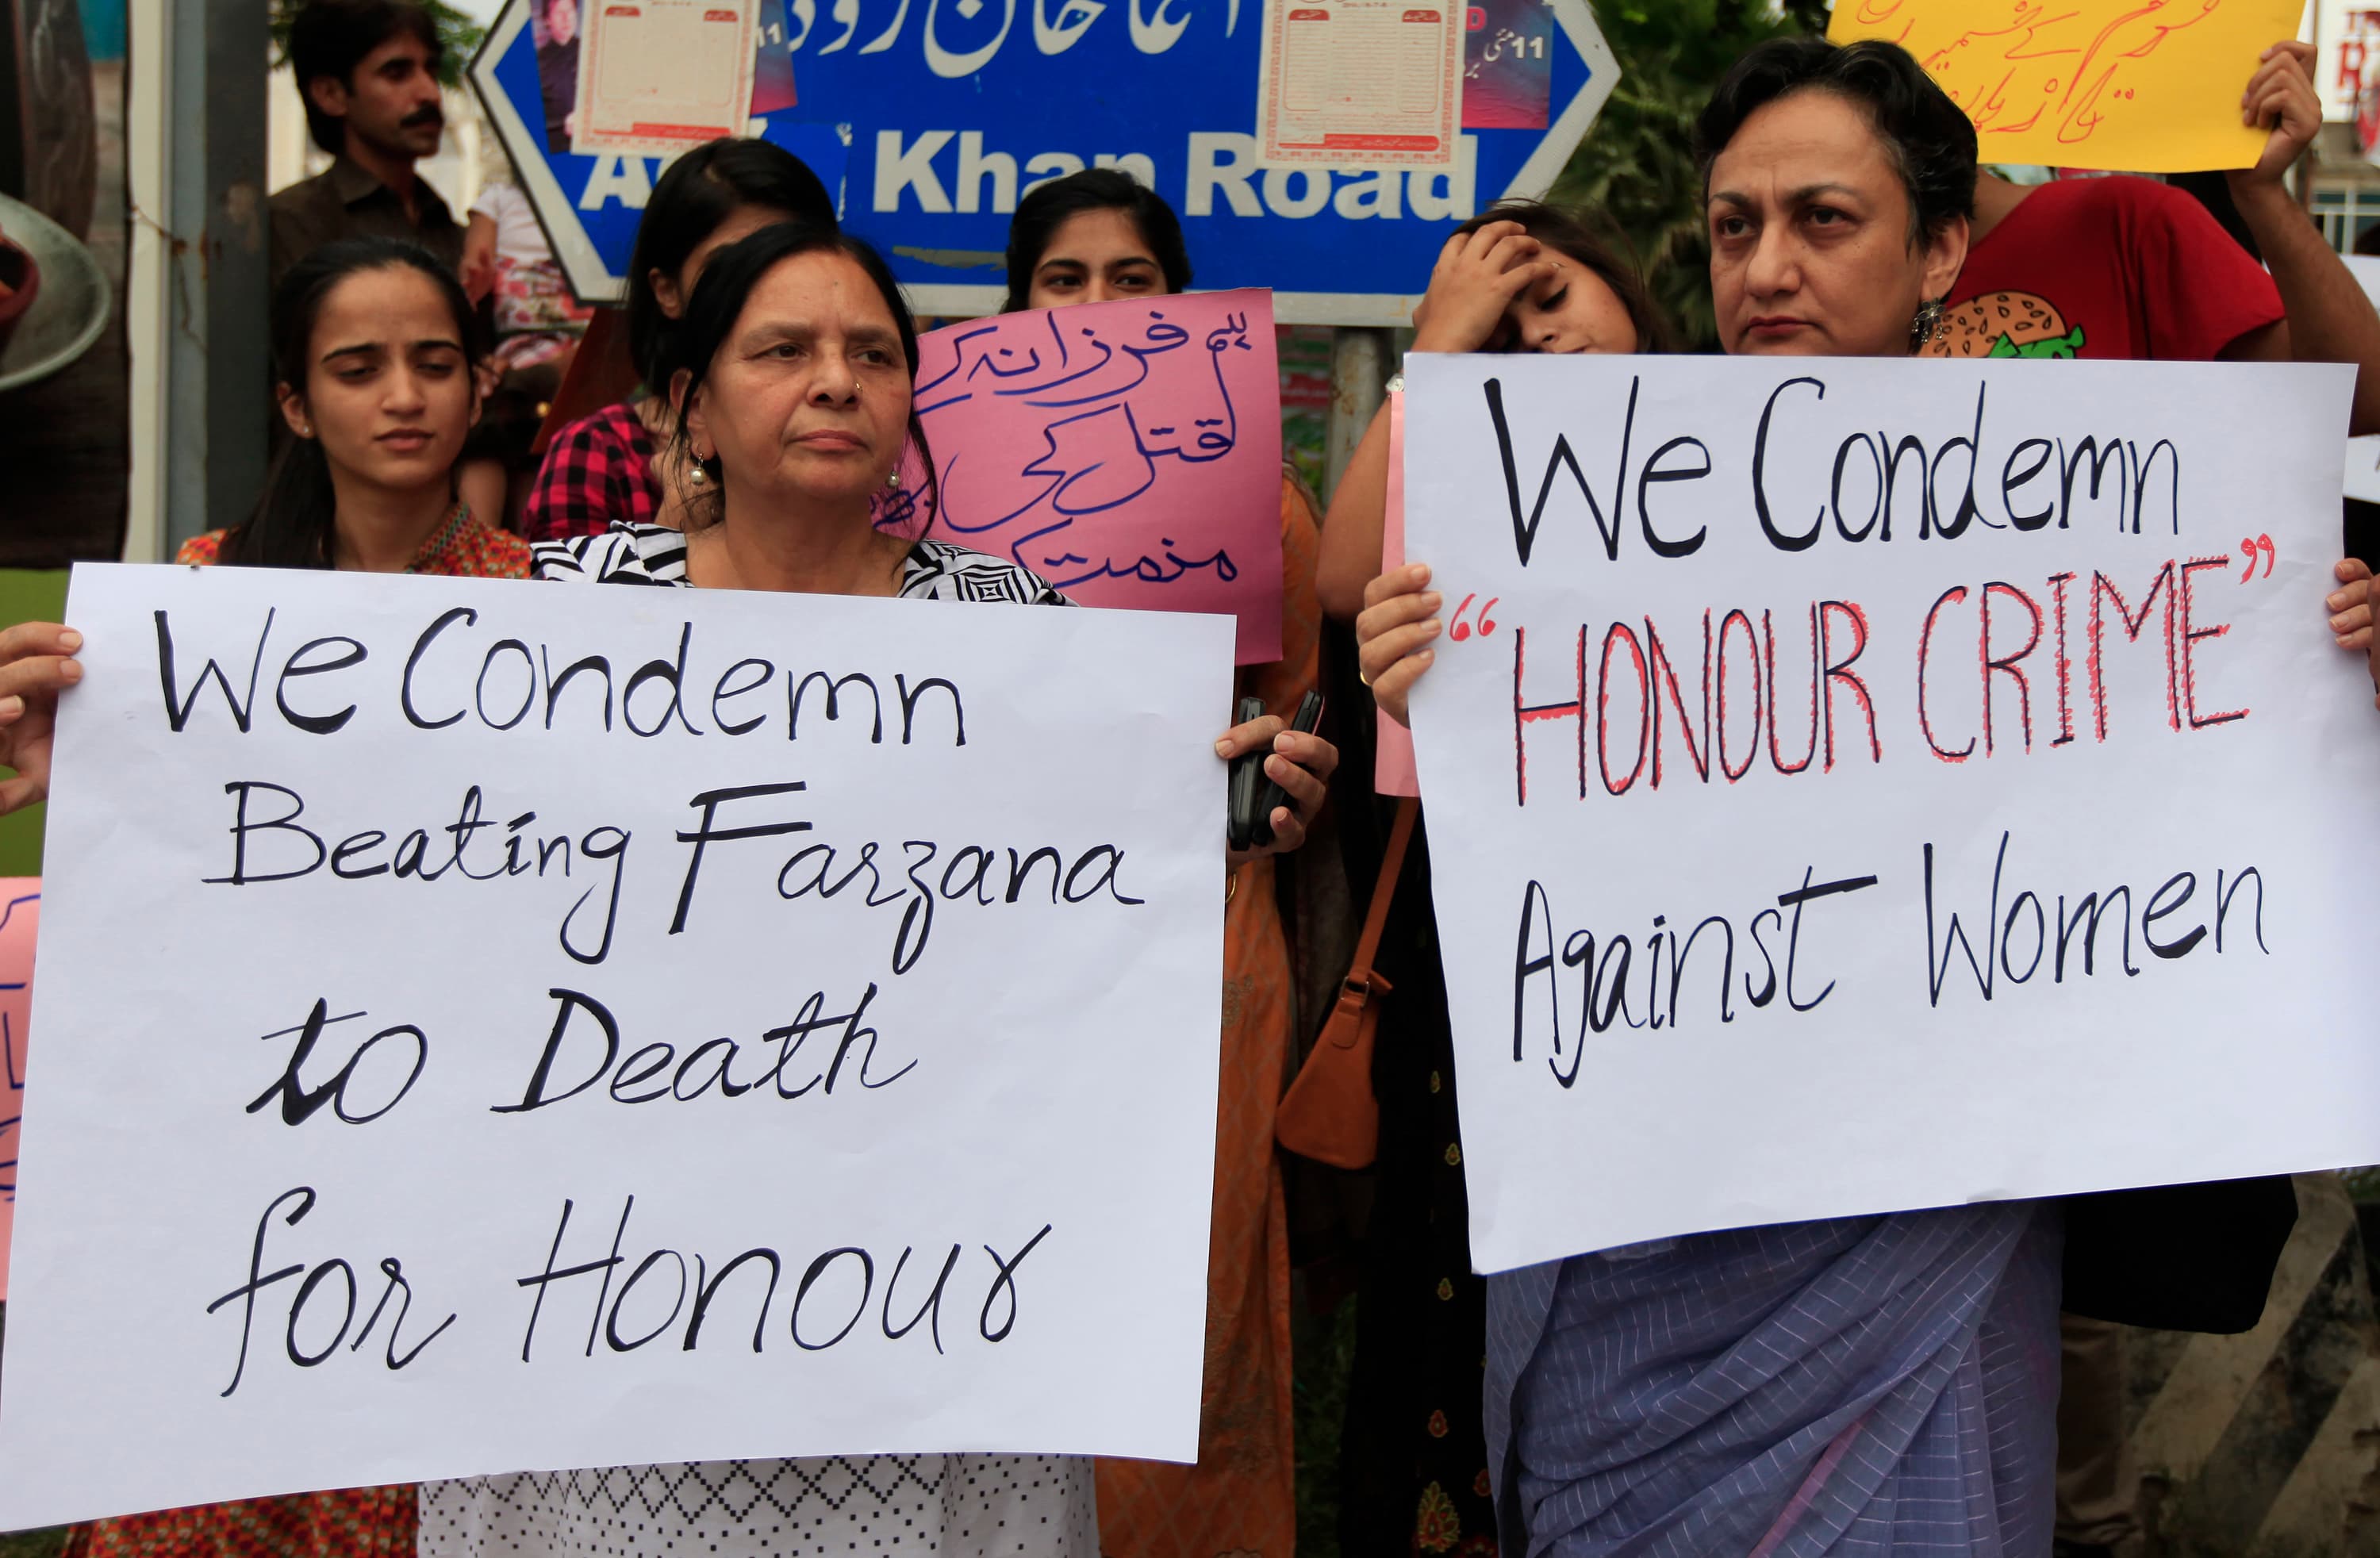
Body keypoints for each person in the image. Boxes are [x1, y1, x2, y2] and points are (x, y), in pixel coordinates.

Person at [2, 218, 1339, 1558]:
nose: (836, 379)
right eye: (784, 349)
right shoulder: (553, 609)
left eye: (873, 351)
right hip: (594, 1322)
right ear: (690, 406)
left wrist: (1234, 803)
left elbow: (1084, 906)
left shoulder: (1022, 628)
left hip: (912, 1314)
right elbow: (362, 841)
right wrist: (124, 760)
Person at [52, 237, 524, 1558]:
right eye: (356, 366)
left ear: (480, 385)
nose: (403, 396)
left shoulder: (551, 619)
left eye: (435, 362)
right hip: (232, 1132)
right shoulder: (198, 609)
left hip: (452, 1146)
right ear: (294, 403)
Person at [1311, 201, 1665, 1556]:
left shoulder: (1746, 444)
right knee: (1457, 1283)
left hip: (1678, 961)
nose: (1539, 331)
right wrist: (1437, 358)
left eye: (1554, 292)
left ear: (1631, 294)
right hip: (1480, 973)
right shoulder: (1452, 446)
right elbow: (1345, 581)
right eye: (1502, 318)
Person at [997, 166, 1324, 1558]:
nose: (1095, 311)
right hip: (993, 974)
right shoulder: (924, 495)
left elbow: (1298, 711)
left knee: (1183, 1316)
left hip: (1202, 955)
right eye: (1062, 280)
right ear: (1013, 309)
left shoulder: (1261, 502)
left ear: (1180, 304)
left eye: (1133, 280)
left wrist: (1285, 779)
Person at [521, 137, 837, 543]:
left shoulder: (869, 435)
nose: (765, 290)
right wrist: (674, 529)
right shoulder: (598, 452)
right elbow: (561, 606)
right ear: (667, 290)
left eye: (789, 261)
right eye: (727, 266)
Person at [271, 0, 463, 290]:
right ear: (331, 95)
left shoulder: (456, 231)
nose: (430, 93)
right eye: (397, 74)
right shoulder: (291, 223)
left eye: (431, 71)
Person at [457, 173, 593, 527]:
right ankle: (479, 548)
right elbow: (475, 265)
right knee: (488, 413)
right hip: (520, 348)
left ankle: (535, 550)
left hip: (587, 348)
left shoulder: (609, 187)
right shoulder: (500, 196)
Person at [536, 0, 580, 154]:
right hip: (559, 150)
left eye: (570, 11)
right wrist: (564, 123)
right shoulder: (538, 63)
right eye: (559, 13)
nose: (566, 18)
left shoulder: (594, 53)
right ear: (547, 19)